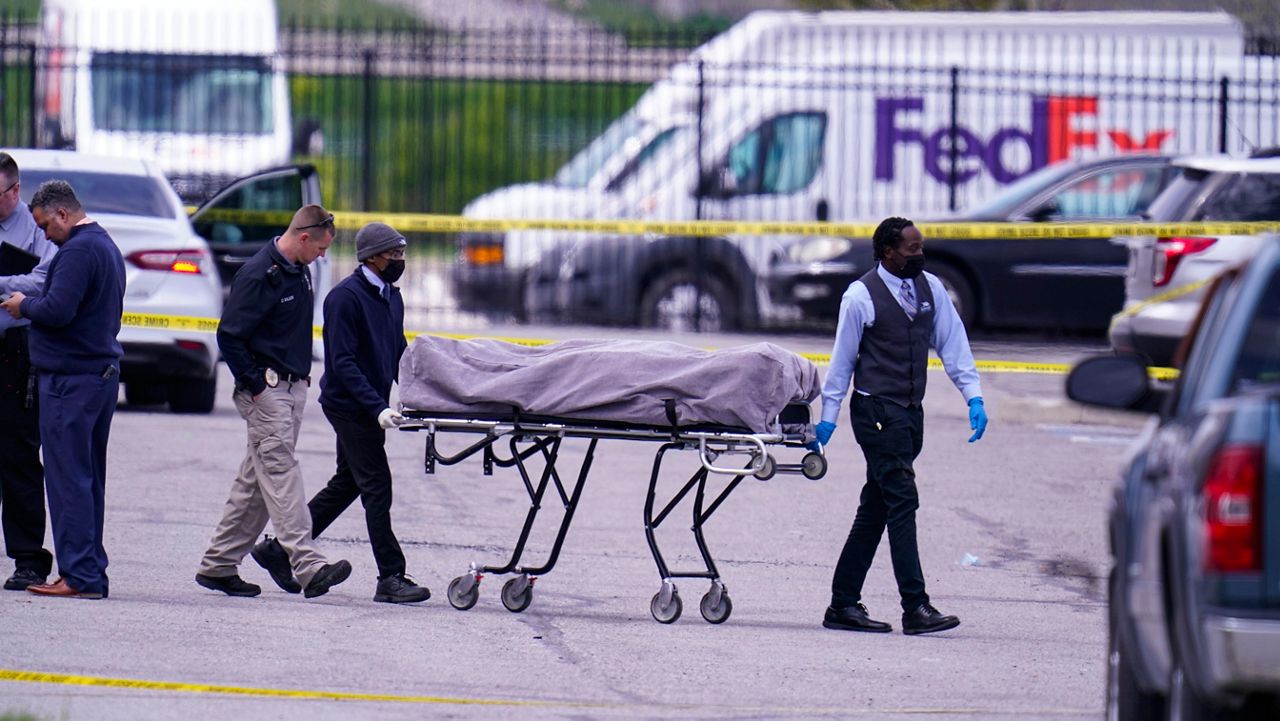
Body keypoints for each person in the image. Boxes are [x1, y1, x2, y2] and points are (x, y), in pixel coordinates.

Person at [815, 216, 988, 636]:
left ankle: (842, 603)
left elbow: (952, 341)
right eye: (912, 249)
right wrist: (827, 417)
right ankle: (916, 605)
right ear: (887, 252)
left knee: (876, 506)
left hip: (910, 412)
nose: (920, 255)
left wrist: (973, 395)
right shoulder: (860, 296)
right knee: (902, 501)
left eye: (921, 247)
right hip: (876, 411)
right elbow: (843, 361)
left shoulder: (930, 289)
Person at [251, 222, 429, 604]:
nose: (400, 261)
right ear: (372, 257)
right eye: (393, 254)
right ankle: (391, 576)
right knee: (377, 485)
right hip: (349, 405)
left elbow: (397, 352)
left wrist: (421, 396)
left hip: (369, 404)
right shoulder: (344, 299)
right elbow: (343, 364)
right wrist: (377, 407)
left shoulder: (390, 297)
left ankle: (279, 550)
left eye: (401, 253)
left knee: (349, 482)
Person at [195, 205, 352, 600]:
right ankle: (307, 564)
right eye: (319, 249)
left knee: (254, 484)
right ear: (303, 238)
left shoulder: (298, 270)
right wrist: (256, 387)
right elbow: (229, 336)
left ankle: (218, 565)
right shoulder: (258, 275)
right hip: (267, 391)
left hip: (290, 389)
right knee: (281, 473)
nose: (322, 257)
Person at [0, 180, 125, 600]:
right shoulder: (104, 245)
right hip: (96, 375)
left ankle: (79, 576)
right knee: (87, 479)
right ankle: (89, 571)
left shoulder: (78, 251)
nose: (46, 236)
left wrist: (23, 306)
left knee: (68, 479)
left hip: (71, 380)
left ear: (62, 214)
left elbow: (57, 309)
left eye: (46, 227)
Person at [0, 153, 58, 592]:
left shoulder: (36, 228)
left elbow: (45, 280)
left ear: (15, 191)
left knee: (18, 454)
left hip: (15, 351)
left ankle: (28, 558)